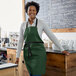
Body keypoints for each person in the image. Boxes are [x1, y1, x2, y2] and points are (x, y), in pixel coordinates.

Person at [15, 1, 69, 76]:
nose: (32, 12)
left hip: (38, 53)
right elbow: (20, 41)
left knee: (36, 74)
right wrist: (17, 56)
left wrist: (61, 49)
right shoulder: (23, 25)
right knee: (31, 73)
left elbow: (51, 36)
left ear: (36, 12)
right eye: (30, 10)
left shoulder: (41, 23)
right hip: (28, 53)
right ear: (27, 11)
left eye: (34, 10)